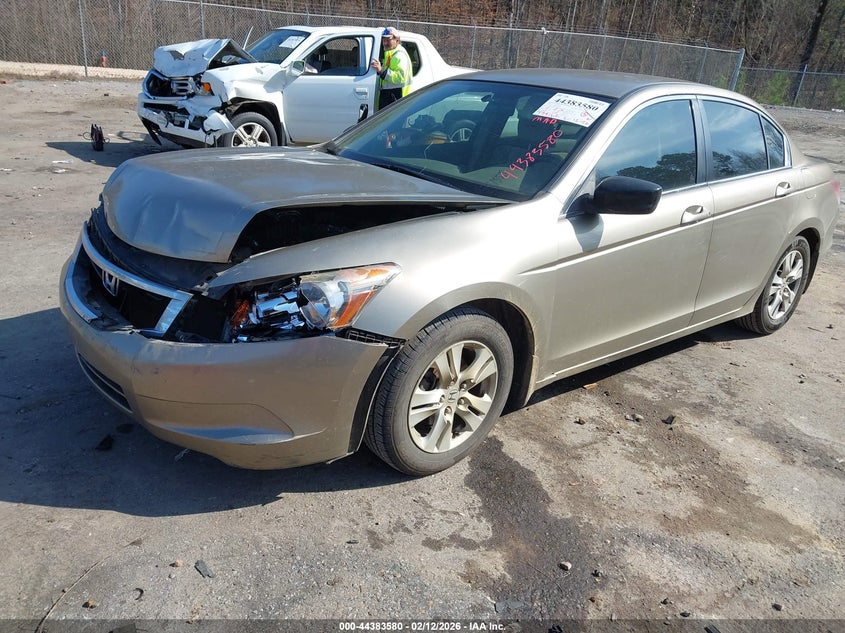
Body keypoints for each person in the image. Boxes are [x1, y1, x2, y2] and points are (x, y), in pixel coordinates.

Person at [370, 27, 412, 110]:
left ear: (396, 40)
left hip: (396, 97)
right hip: (391, 97)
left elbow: (400, 77)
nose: (385, 43)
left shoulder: (399, 55)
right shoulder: (390, 53)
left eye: (388, 40)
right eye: (384, 40)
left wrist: (381, 71)